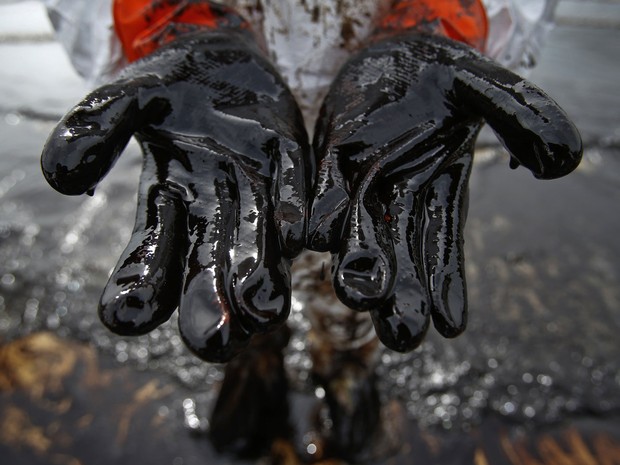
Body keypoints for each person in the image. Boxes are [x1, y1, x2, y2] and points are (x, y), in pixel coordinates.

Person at [41, 1, 581, 458]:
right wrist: (180, 24)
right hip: (218, 56)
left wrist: (434, 23)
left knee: (368, 236)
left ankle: (344, 370)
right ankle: (255, 353)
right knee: (237, 233)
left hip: (390, 63)